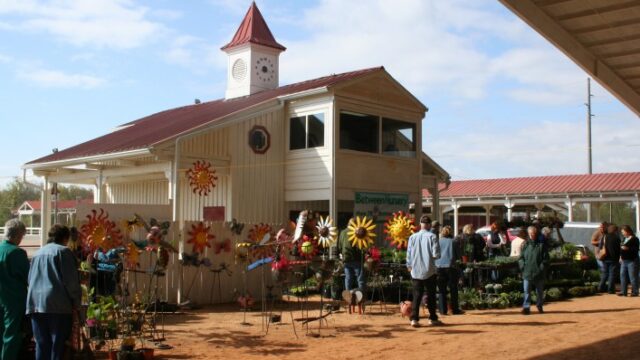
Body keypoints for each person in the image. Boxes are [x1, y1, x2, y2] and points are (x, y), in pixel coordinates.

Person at [26, 225, 82, 360]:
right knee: (58, 346)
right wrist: (77, 303)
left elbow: (29, 279)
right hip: (58, 305)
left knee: (41, 344)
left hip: (35, 304)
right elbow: (71, 282)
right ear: (65, 238)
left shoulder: (37, 253)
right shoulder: (64, 252)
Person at [0, 219, 29, 360]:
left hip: (1, 297)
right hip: (14, 300)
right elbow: (28, 276)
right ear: (18, 235)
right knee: (11, 335)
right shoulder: (17, 253)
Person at [406, 215, 442, 327]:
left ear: (420, 224)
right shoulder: (432, 236)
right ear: (429, 225)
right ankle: (432, 318)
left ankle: (414, 319)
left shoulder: (412, 237)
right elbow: (436, 255)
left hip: (415, 270)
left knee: (416, 295)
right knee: (430, 295)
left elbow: (409, 254)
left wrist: (409, 265)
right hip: (429, 270)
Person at [519, 226, 549, 315]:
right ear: (528, 234)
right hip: (527, 272)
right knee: (526, 291)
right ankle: (526, 308)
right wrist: (522, 266)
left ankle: (539, 306)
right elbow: (521, 258)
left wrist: (541, 268)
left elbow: (546, 259)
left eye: (534, 233)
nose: (532, 235)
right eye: (531, 233)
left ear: (536, 234)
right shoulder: (525, 245)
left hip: (538, 273)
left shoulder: (541, 245)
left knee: (539, 292)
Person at [435, 225, 464, 315]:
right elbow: (459, 256)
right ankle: (455, 310)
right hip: (451, 267)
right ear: (450, 232)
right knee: (453, 289)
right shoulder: (454, 242)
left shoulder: (438, 242)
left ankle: (442, 310)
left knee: (441, 290)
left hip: (439, 267)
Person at [338, 219, 366, 301]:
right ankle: (361, 298)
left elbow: (339, 246)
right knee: (360, 278)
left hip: (346, 259)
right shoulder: (356, 232)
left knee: (348, 278)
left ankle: (349, 298)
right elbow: (360, 246)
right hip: (356, 258)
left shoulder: (342, 232)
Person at [598, 224, 621, 294]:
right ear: (615, 230)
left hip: (605, 258)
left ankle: (600, 288)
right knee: (612, 274)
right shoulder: (617, 238)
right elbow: (618, 249)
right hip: (613, 259)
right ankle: (610, 290)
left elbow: (600, 247)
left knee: (605, 273)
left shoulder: (604, 237)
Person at [619, 225, 638, 297]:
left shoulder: (635, 239)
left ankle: (634, 292)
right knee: (622, 275)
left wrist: (628, 249)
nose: (622, 233)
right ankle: (623, 291)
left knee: (632, 277)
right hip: (624, 260)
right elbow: (621, 249)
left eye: (623, 232)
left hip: (632, 260)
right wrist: (620, 257)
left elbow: (636, 250)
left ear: (628, 231)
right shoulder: (623, 239)